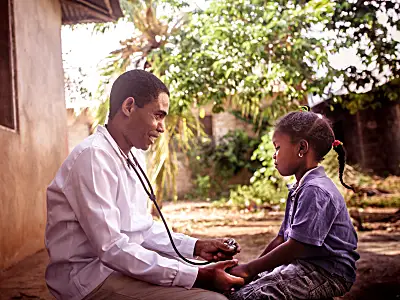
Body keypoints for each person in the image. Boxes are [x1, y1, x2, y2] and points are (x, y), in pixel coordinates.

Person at [45, 70, 244, 300]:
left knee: (229, 278)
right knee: (213, 299)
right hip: (89, 280)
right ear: (129, 107)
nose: (162, 127)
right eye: (158, 115)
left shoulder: (133, 155)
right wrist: (199, 276)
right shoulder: (92, 157)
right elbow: (111, 248)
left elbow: (141, 229)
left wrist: (196, 247)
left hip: (117, 266)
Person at [228, 110, 360, 299]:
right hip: (303, 264)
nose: (274, 155)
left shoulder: (315, 190)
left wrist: (249, 269)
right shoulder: (300, 187)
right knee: (243, 288)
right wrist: (251, 272)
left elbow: (297, 247)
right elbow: (282, 238)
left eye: (278, 147)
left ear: (302, 148)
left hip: (328, 271)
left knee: (248, 297)